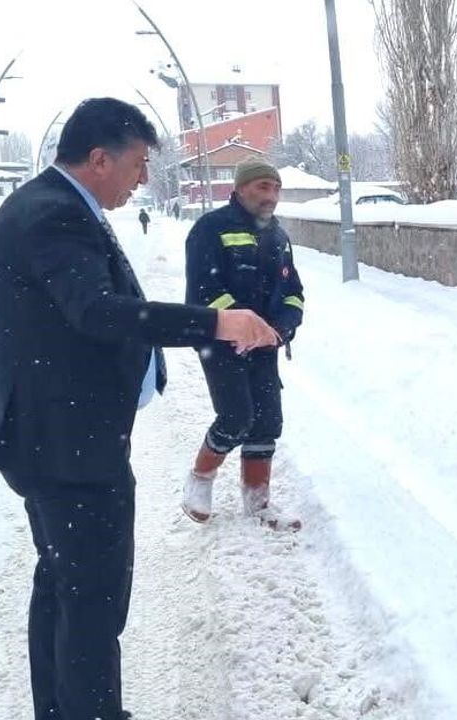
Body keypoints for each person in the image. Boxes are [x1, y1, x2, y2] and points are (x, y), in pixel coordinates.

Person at [0, 97, 280, 720]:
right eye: (137, 164)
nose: (143, 178)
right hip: (67, 446)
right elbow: (98, 311)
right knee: (92, 601)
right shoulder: (53, 214)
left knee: (63, 585)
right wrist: (219, 322)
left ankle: (63, 710)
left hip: (54, 436)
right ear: (100, 158)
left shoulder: (53, 204)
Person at [182, 158, 305, 530]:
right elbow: (203, 290)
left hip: (265, 345)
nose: (271, 196)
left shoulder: (279, 237)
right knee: (236, 417)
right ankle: (200, 478)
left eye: (276, 188)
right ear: (239, 189)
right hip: (221, 343)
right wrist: (244, 325)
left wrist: (281, 328)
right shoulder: (211, 228)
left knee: (267, 421)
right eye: (262, 187)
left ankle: (258, 502)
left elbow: (293, 292)